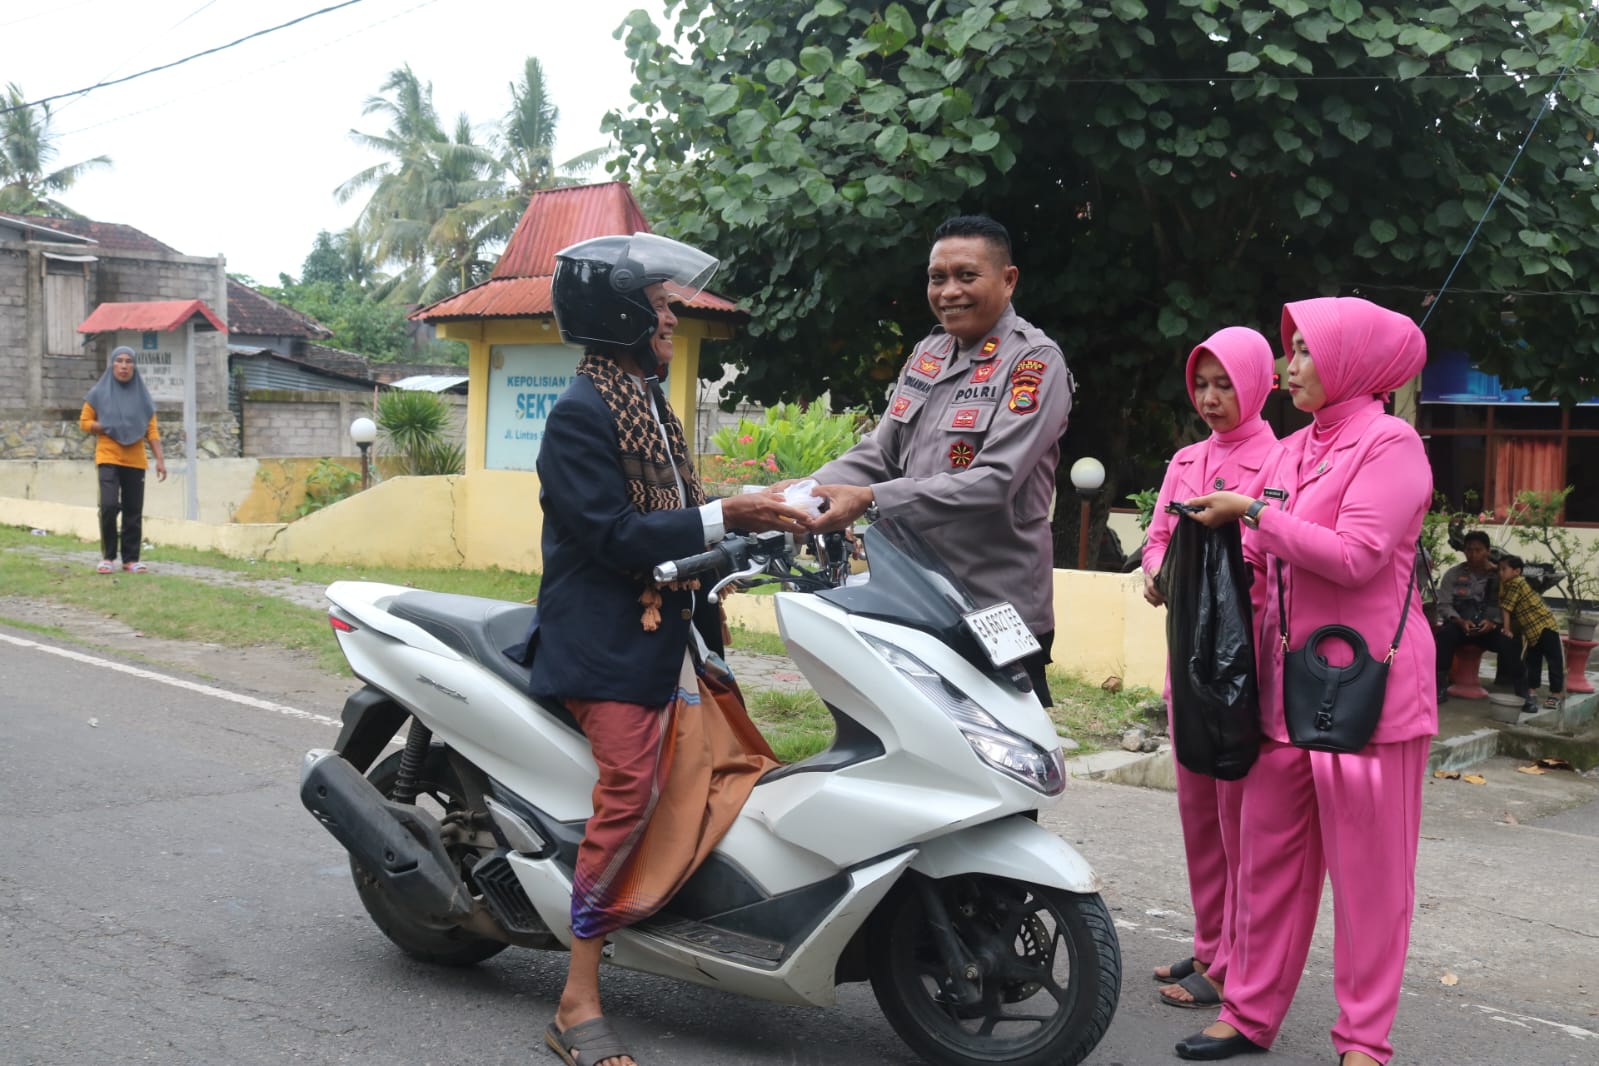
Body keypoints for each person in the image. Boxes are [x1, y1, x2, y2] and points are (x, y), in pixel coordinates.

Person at [526, 233, 812, 1066]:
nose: (671, 318)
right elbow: (616, 536)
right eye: (657, 306)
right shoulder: (581, 413)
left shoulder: (645, 402)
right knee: (631, 794)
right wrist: (727, 515)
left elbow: (678, 523)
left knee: (742, 761)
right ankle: (576, 1001)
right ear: (617, 316)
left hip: (669, 631)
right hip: (606, 640)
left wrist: (750, 534)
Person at [1180, 297, 1437, 1066]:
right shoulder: (1292, 449)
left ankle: (1363, 1041)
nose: (1287, 366)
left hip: (1369, 693)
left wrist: (1252, 514)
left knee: (1369, 880)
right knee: (1266, 863)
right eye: (1287, 350)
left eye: (1303, 352)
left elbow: (1355, 556)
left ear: (1352, 362)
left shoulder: (1390, 445)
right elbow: (1258, 560)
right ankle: (1247, 1013)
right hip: (1283, 688)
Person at [798, 215, 1074, 703]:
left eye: (967, 276)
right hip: (916, 594)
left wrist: (870, 498)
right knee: (914, 731)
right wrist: (802, 493)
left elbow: (994, 480)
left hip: (994, 606)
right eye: (937, 277)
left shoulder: (1034, 363)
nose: (949, 292)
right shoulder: (929, 353)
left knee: (997, 741)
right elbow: (881, 450)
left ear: (1008, 280)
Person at [1141, 327, 1279, 1010]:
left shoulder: (1278, 460)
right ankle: (1208, 943)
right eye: (1201, 384)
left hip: (1241, 665)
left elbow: (1271, 552)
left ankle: (1233, 961)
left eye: (1225, 384)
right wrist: (1156, 573)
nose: (1211, 398)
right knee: (1198, 816)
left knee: (1238, 824)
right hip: (1187, 659)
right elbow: (1158, 537)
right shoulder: (1187, 458)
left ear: (1255, 384)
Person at [80, 346, 166, 574]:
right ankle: (108, 557)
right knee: (108, 506)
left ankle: (130, 560)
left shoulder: (143, 397)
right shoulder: (99, 393)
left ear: (134, 366)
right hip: (108, 456)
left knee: (133, 510)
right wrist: (105, 426)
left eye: (129, 361)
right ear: (112, 364)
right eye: (119, 361)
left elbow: (151, 430)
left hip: (135, 460)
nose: (124, 366)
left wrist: (160, 460)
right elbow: (84, 422)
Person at [1434, 530, 1528, 706]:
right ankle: (1439, 687)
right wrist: (1459, 621)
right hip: (1461, 626)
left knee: (1510, 642)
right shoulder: (1453, 574)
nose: (1473, 554)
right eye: (1469, 550)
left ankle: (1523, 692)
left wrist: (1494, 622)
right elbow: (1444, 604)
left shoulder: (1501, 575)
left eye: (1478, 550)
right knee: (1444, 636)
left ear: (1488, 551)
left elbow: (1511, 602)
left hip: (1490, 628)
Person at [1498, 553, 1565, 713]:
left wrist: (1507, 629)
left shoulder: (1517, 582)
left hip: (1545, 626)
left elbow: (1506, 608)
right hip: (1532, 630)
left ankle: (1555, 694)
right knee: (1533, 660)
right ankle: (1532, 691)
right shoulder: (1510, 583)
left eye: (1503, 569)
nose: (1500, 573)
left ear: (1517, 571)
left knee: (1553, 660)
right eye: (1499, 569)